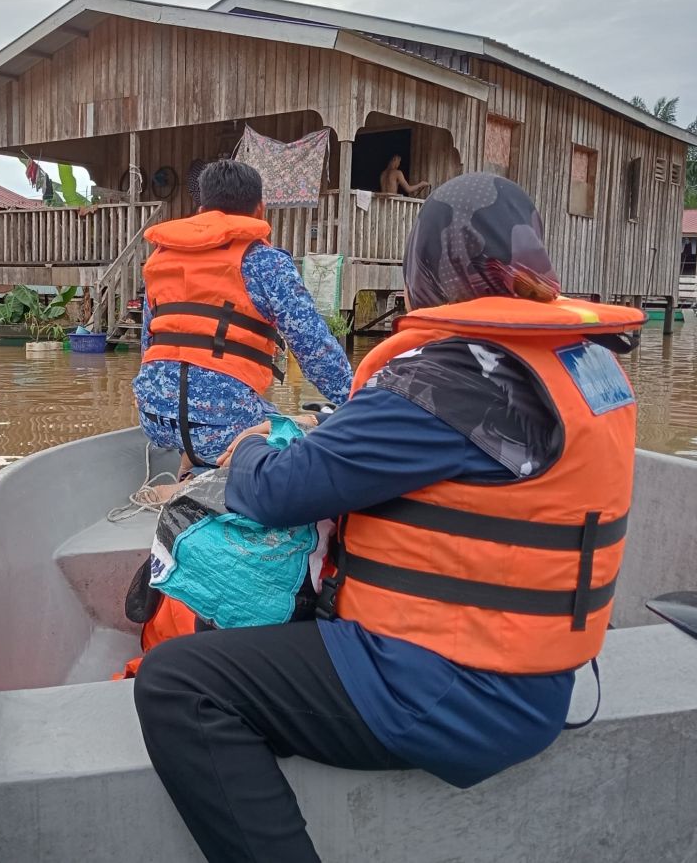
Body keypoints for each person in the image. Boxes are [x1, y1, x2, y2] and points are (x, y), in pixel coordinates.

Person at [133, 172, 646, 863]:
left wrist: (251, 444)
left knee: (178, 681)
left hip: (449, 692)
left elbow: (281, 490)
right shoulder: (580, 362)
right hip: (536, 678)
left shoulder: (450, 380)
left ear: (427, 269)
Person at [132, 159, 350, 473]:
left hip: (155, 418)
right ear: (260, 210)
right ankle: (203, 481)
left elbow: (148, 345)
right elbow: (315, 350)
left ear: (200, 210)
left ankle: (186, 467)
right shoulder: (265, 262)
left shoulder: (161, 259)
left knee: (204, 415)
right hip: (225, 425)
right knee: (304, 428)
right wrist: (359, 401)